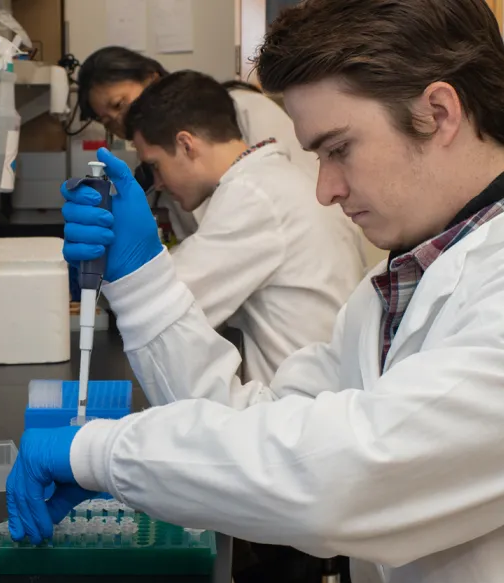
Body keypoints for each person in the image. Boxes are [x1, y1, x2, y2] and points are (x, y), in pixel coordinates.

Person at [6, 0, 504, 583]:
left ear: (438, 112)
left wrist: (97, 453)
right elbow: (245, 422)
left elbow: (350, 477)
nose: (325, 189)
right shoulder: (403, 283)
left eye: (338, 149)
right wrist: (141, 276)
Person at [71, 71, 363, 384]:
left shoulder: (254, 195)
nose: (157, 182)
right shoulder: (274, 178)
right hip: (319, 392)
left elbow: (169, 302)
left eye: (155, 165)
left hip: (303, 411)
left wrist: (118, 262)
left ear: (186, 145)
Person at [77, 46, 319, 179]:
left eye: (120, 104)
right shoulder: (155, 165)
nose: (121, 121)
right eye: (107, 121)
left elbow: (307, 189)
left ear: (152, 79)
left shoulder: (245, 110)